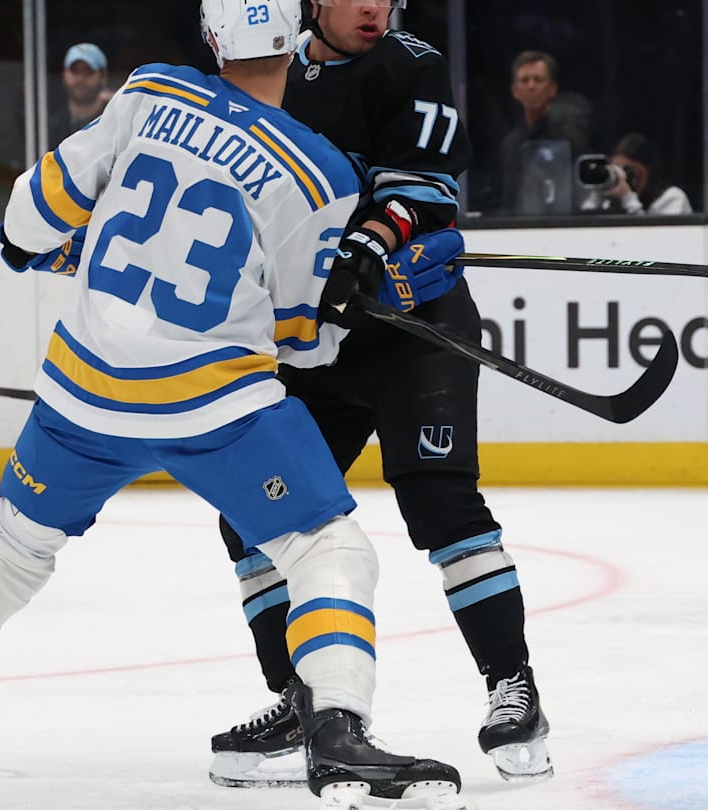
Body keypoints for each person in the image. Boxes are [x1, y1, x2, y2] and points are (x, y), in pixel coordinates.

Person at [0, 0, 465, 805]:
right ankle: (336, 731)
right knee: (329, 551)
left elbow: (28, 223)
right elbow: (300, 339)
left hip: (84, 394)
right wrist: (364, 294)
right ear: (294, 33)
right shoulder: (321, 172)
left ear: (213, 36)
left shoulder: (150, 91)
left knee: (12, 551)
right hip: (214, 409)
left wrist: (47, 242)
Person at [207, 0, 553, 789]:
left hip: (413, 330)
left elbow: (426, 191)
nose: (373, 6)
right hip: (320, 342)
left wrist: (369, 250)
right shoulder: (270, 71)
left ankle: (513, 688)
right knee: (252, 514)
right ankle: (301, 700)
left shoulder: (410, 64)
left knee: (439, 504)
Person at [499, 50, 591, 215]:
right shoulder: (512, 144)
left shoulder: (571, 136)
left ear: (552, 88)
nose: (531, 86)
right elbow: (510, 200)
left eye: (538, 79)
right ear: (515, 90)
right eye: (524, 80)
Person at [583, 132, 693, 215]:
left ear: (647, 172)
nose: (622, 177)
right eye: (616, 170)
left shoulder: (672, 198)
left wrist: (628, 198)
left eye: (627, 170)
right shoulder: (610, 202)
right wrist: (596, 197)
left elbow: (649, 237)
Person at [48, 43, 114, 145]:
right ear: (64, 74)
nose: (80, 78)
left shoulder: (113, 120)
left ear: (103, 76)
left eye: (88, 71)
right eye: (74, 71)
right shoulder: (52, 127)